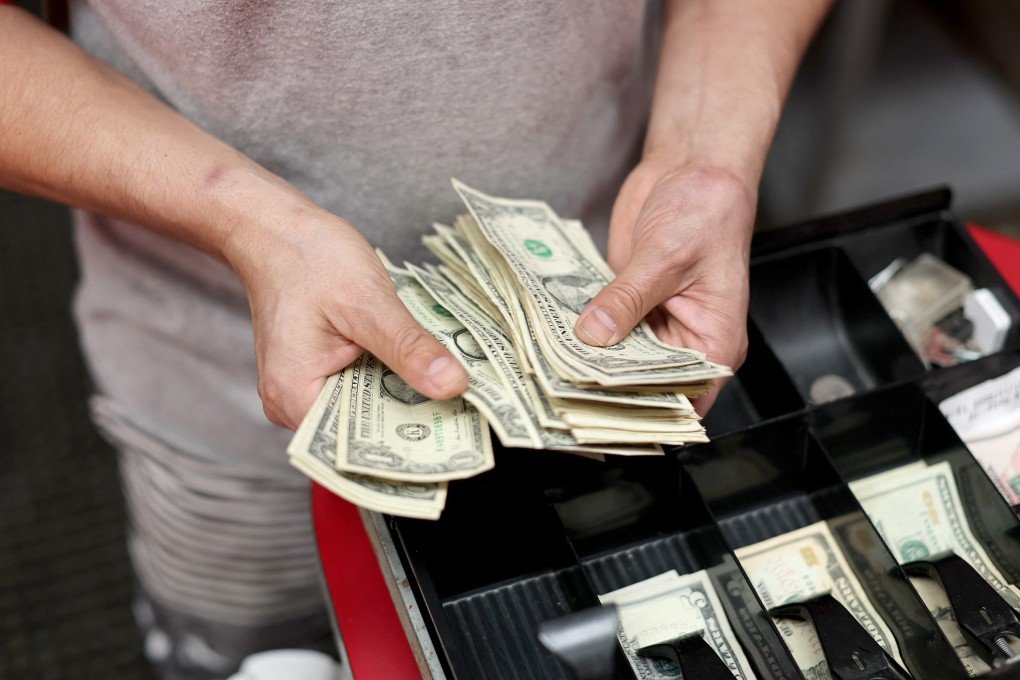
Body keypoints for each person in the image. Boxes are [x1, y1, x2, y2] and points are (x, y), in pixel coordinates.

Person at [0, 1, 832, 677]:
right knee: (253, 651)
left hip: (603, 326)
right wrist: (242, 220)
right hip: (222, 390)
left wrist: (704, 154)